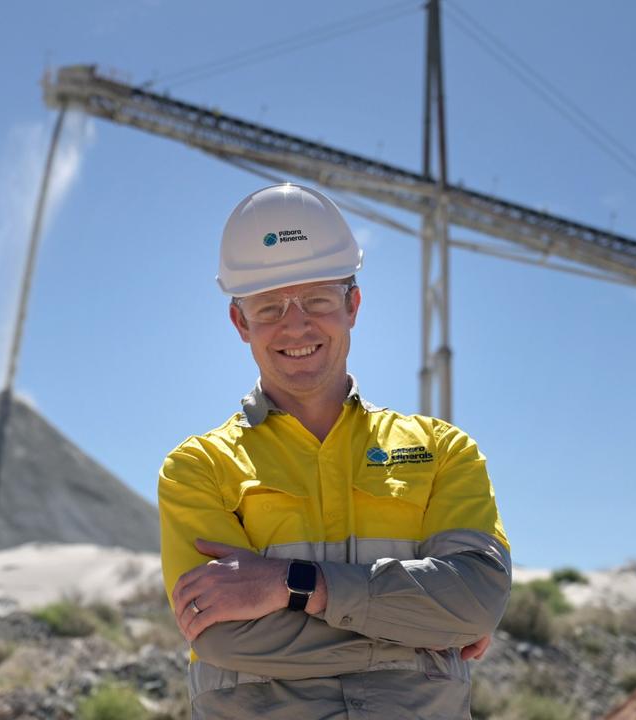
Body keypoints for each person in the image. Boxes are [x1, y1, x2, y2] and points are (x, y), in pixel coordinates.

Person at [158, 183, 511, 719]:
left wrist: (292, 585)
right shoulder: (199, 468)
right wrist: (425, 632)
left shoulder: (442, 451)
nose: (296, 325)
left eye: (318, 299)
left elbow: (477, 598)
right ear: (240, 323)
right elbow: (227, 639)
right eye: (270, 306)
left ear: (353, 304)